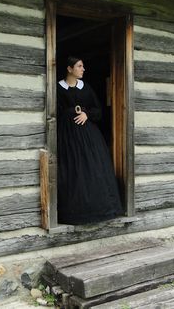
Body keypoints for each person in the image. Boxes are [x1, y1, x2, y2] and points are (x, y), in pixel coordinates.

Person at [57, 56, 123, 225]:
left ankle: (101, 210)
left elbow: (98, 111)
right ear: (69, 69)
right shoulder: (58, 88)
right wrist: (69, 114)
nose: (83, 69)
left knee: (94, 169)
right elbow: (54, 112)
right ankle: (77, 214)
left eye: (83, 66)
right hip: (68, 137)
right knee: (74, 170)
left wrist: (87, 114)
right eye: (79, 66)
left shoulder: (85, 88)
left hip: (88, 136)